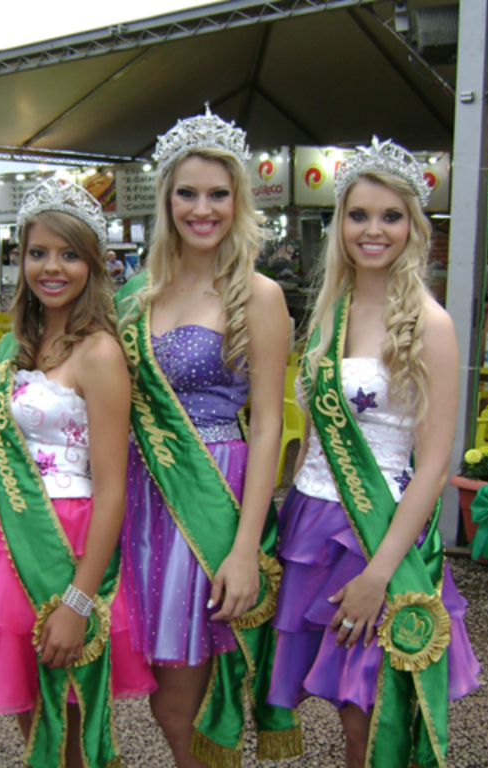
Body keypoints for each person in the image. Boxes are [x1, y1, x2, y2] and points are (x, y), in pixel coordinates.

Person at [265, 138, 480, 768]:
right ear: (341, 225)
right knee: (331, 697)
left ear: (414, 226)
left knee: (370, 711)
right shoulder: (330, 311)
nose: (374, 229)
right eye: (359, 215)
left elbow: (435, 465)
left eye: (391, 215)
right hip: (310, 527)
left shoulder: (431, 325)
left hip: (378, 533)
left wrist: (379, 574)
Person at [0, 178, 155, 768]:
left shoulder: (100, 352)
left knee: (69, 715)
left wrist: (79, 601)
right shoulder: (18, 343)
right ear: (21, 259)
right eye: (38, 253)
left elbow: (114, 489)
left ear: (93, 263)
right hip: (6, 532)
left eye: (69, 254)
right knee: (30, 717)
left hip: (66, 540)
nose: (51, 268)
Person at [115, 107, 300, 767]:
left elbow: (271, 422)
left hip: (212, 495)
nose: (202, 208)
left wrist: (247, 546)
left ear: (238, 201)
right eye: (187, 193)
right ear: (166, 199)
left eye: (218, 194)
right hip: (139, 498)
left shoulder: (260, 295)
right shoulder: (135, 296)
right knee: (155, 692)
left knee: (178, 703)